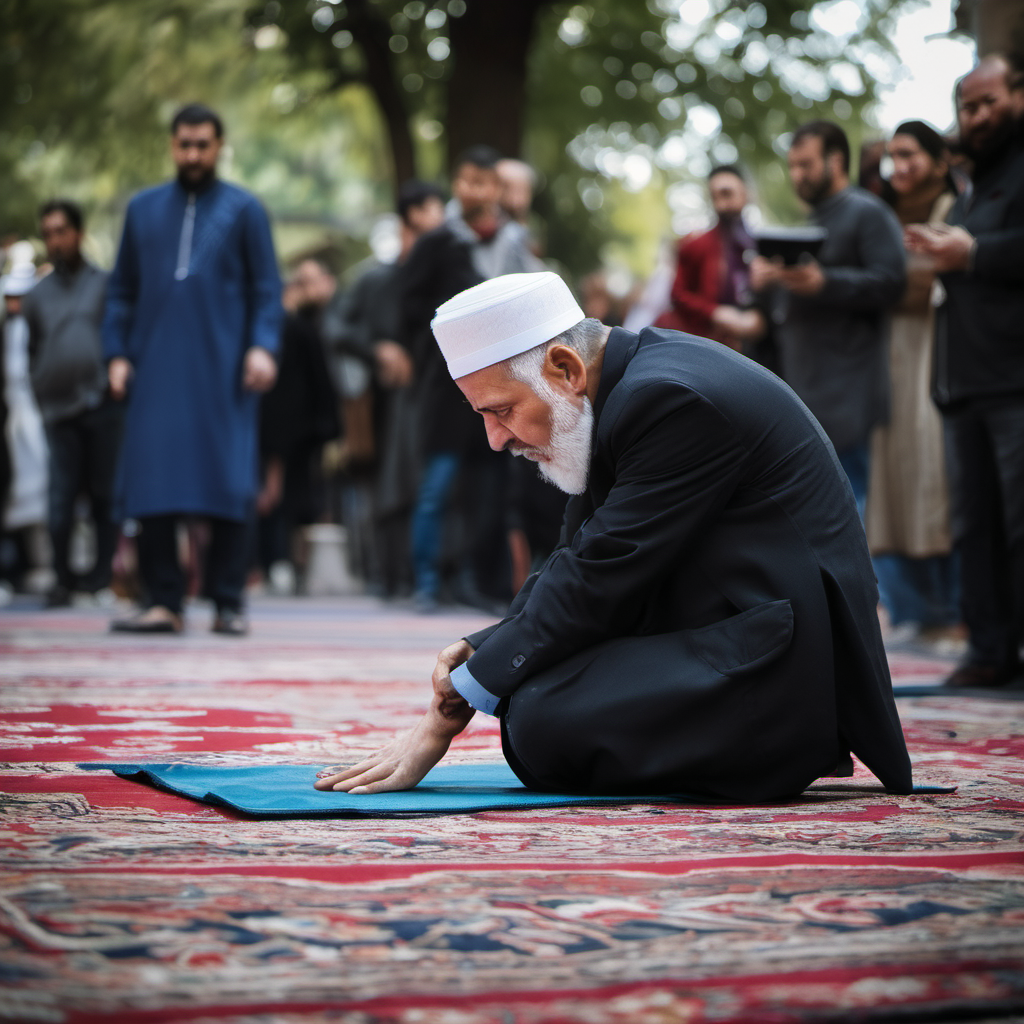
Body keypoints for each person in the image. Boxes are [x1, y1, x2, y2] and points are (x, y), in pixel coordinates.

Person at [315, 271, 913, 801]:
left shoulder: (670, 399)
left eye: (499, 411)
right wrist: (487, 649)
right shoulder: (623, 387)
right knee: (531, 695)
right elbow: (576, 556)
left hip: (781, 662)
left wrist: (449, 712)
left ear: (564, 369)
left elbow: (603, 572)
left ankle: (773, 747)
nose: (497, 441)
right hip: (726, 616)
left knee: (540, 721)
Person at [102, 103, 282, 636]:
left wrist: (262, 347)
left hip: (226, 370)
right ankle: (165, 601)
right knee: (154, 481)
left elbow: (267, 291)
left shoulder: (245, 209)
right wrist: (115, 353)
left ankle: (227, 602)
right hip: (154, 370)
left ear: (219, 146)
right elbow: (121, 293)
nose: (194, 154)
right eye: (185, 144)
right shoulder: (141, 210)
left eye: (203, 144)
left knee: (227, 478)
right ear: (172, 146)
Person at [905, 55, 1024, 688]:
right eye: (967, 107)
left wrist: (972, 251)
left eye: (987, 102)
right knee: (975, 525)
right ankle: (990, 651)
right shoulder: (979, 186)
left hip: (1012, 380)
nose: (976, 117)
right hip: (964, 383)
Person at [400, 145, 542, 612]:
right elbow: (407, 304)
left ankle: (476, 581)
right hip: (446, 388)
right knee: (436, 488)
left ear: (496, 189)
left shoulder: (515, 244)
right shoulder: (439, 241)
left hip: (502, 386)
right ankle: (426, 581)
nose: (471, 190)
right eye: (465, 181)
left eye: (482, 182)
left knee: (489, 492)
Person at [751, 121, 906, 515]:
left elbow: (892, 283)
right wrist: (767, 282)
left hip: (849, 397)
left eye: (805, 164)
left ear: (836, 160)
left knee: (846, 518)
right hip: (805, 391)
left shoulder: (867, 213)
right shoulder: (811, 222)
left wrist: (825, 283)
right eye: (792, 165)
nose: (796, 175)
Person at [321, 180, 446, 596]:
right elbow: (335, 325)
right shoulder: (373, 280)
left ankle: (426, 578)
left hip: (437, 399)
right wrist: (378, 351)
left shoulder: (444, 279)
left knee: (427, 489)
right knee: (389, 490)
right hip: (382, 403)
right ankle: (388, 576)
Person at [865, 123, 960, 641]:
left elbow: (926, 282)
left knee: (934, 477)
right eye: (893, 156)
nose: (899, 167)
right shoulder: (883, 213)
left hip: (934, 352)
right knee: (893, 482)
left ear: (939, 160)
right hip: (889, 361)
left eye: (910, 155)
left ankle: (954, 612)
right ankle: (916, 611)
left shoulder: (952, 207)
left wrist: (878, 278)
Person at [22, 200, 123, 607]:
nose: (55, 241)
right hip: (58, 411)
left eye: (61, 231)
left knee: (104, 495)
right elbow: (31, 349)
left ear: (78, 234)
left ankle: (99, 581)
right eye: (47, 233)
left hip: (102, 404)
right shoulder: (36, 296)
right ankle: (62, 580)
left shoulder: (106, 283)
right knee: (61, 499)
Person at [655, 165, 765, 356]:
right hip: (705, 349)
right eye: (715, 197)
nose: (720, 205)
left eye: (727, 194)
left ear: (745, 193)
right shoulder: (695, 246)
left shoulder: (761, 245)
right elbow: (678, 294)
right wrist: (715, 313)